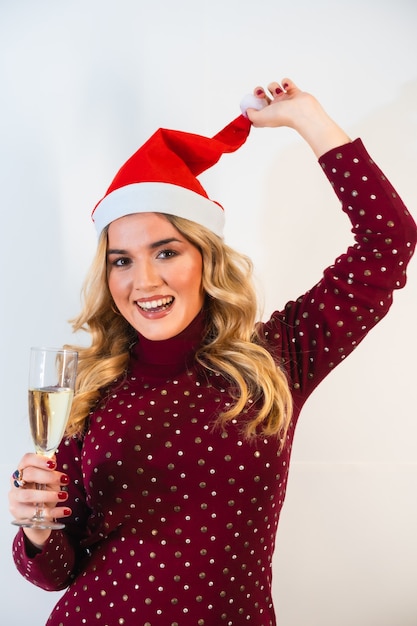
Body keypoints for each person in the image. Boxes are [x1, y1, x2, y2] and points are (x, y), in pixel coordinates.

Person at [9, 77, 417, 626]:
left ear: (206, 258)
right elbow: (55, 572)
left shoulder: (276, 357)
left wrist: (308, 119)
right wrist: (37, 529)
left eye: (167, 251)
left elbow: (388, 241)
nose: (144, 280)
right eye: (122, 260)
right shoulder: (92, 390)